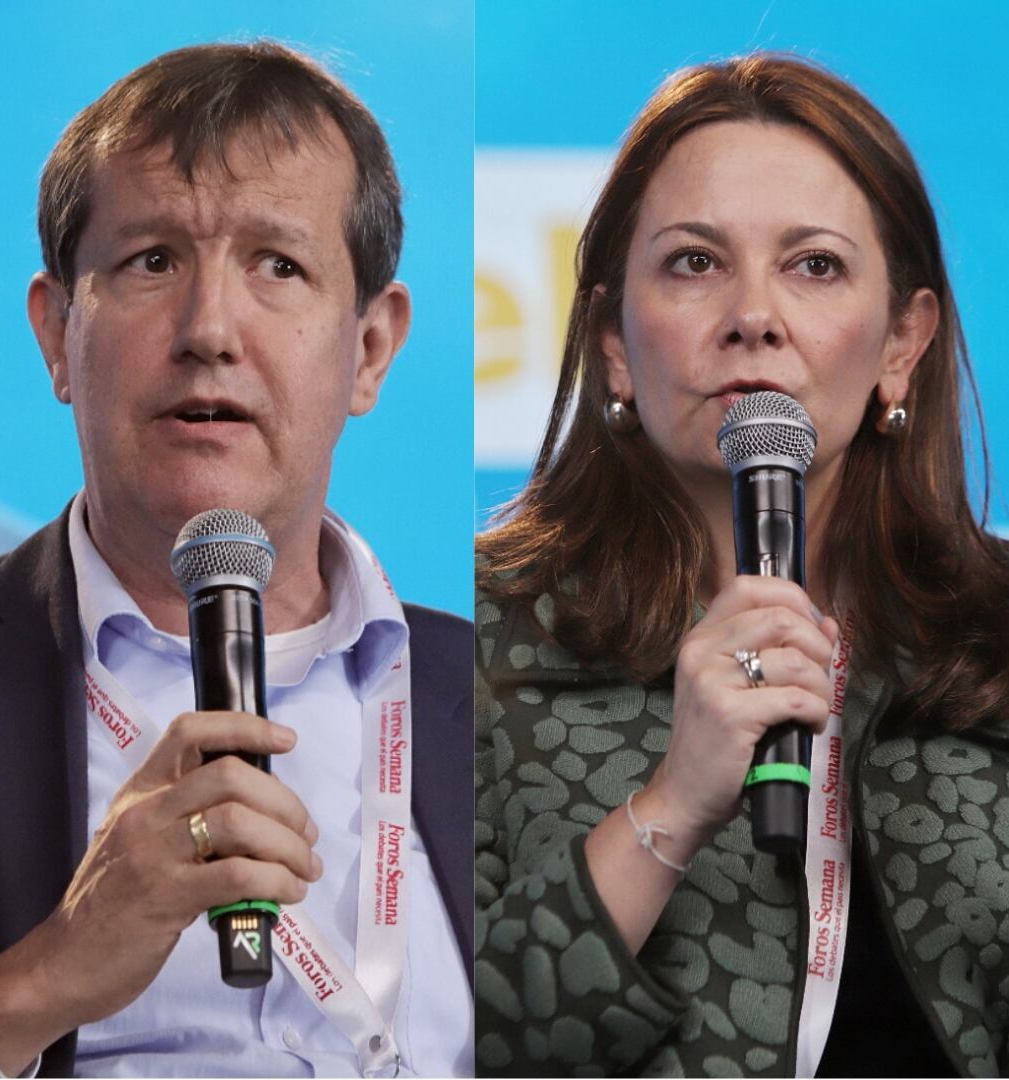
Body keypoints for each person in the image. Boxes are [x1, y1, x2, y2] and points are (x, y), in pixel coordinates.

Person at [0, 42, 473, 1077]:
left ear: (369, 350)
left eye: (278, 264)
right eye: (152, 261)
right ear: (55, 335)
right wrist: (43, 980)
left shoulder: (493, 698)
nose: (210, 329)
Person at [474, 54, 1009, 1077]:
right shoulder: (475, 644)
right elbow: (433, 1042)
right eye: (693, 263)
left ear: (903, 342)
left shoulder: (999, 632)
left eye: (813, 265)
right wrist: (672, 804)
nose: (752, 315)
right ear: (613, 345)